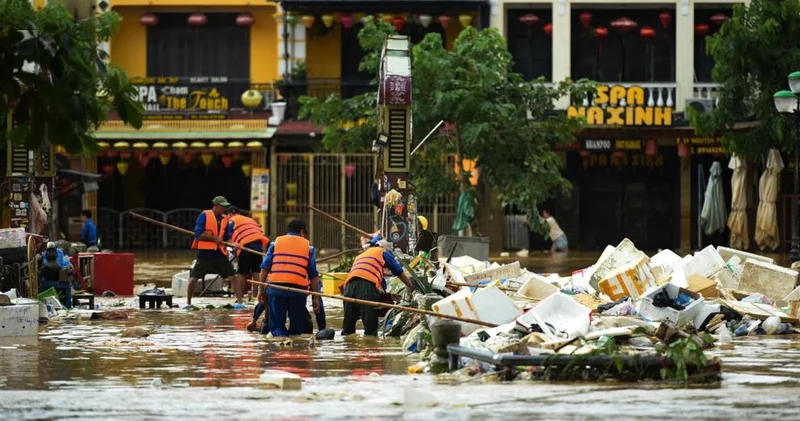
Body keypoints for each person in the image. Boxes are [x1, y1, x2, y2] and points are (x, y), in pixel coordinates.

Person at [258, 219, 322, 337]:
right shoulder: (309, 247)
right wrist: (316, 298)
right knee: (296, 330)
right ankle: (294, 352)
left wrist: (260, 290)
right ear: (301, 232)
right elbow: (313, 275)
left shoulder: (275, 243)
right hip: (297, 292)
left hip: (276, 289)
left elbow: (265, 268)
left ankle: (279, 348)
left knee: (277, 329)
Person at [341, 237, 415, 336]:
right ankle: (372, 347)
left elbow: (378, 285)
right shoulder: (383, 252)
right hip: (366, 285)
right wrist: (411, 287)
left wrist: (390, 295)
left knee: (348, 327)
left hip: (348, 286)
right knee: (371, 327)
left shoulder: (362, 255)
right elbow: (399, 272)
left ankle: (348, 347)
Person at [186, 196, 235, 308]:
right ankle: (188, 303)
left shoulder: (225, 219)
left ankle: (240, 301)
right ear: (216, 206)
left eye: (225, 207)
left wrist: (232, 243)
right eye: (222, 207)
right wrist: (214, 238)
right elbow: (198, 235)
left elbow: (227, 237)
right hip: (205, 253)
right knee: (194, 278)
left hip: (219, 253)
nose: (224, 209)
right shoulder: (204, 215)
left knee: (233, 276)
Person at [227, 207, 270, 308]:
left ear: (229, 214)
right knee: (256, 272)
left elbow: (228, 236)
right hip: (258, 246)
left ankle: (240, 299)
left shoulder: (231, 221)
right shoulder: (250, 219)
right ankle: (256, 297)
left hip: (245, 246)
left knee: (242, 274)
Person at [39, 242, 73, 308]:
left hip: (46, 283)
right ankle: (68, 306)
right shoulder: (58, 260)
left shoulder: (45, 258)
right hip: (58, 282)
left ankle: (41, 305)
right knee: (67, 287)